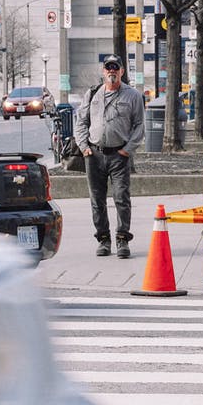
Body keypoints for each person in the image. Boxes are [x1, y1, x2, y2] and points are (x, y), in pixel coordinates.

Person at [74, 55, 145, 259]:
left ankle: (122, 239)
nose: (111, 71)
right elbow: (81, 121)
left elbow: (140, 126)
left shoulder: (133, 96)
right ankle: (103, 239)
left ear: (122, 71)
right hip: (94, 155)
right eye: (108, 68)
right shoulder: (92, 93)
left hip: (119, 155)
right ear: (103, 71)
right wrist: (84, 147)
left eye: (116, 68)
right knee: (97, 200)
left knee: (121, 198)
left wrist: (127, 149)